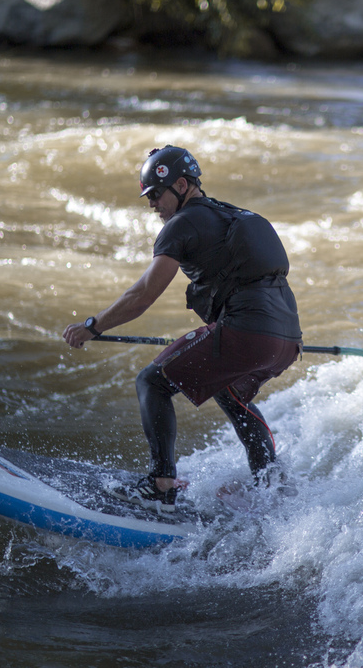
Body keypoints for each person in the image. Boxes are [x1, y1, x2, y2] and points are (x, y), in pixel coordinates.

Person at [62, 145, 302, 511]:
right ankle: (271, 487)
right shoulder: (232, 214)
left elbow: (142, 295)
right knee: (229, 393)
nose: (152, 205)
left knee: (151, 382)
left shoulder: (182, 225)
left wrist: (93, 326)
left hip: (247, 334)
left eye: (156, 195)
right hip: (287, 338)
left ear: (181, 185)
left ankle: (161, 486)